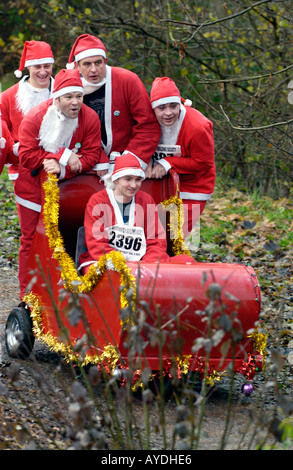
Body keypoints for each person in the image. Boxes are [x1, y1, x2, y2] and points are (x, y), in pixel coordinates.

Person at [17, 68, 109, 299]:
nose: (75, 102)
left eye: (78, 96)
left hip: (66, 188)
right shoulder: (35, 117)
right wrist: (63, 156)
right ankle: (25, 295)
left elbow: (90, 156)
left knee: (61, 235)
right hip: (31, 189)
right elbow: (27, 156)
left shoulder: (89, 117)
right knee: (31, 239)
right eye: (69, 97)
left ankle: (58, 291)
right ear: (56, 98)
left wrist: (61, 164)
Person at [79, 153, 194, 274]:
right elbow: (96, 243)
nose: (133, 185)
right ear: (116, 180)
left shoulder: (146, 200)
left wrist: (147, 264)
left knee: (186, 261)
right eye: (128, 179)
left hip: (143, 261)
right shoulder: (97, 201)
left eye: (138, 180)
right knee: (103, 273)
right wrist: (120, 263)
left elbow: (156, 240)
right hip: (106, 260)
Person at [66, 34, 161, 171]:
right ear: (76, 65)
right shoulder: (67, 88)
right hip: (85, 162)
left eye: (98, 62)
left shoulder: (128, 81)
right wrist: (96, 157)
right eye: (87, 64)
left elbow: (148, 125)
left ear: (106, 61)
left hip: (127, 160)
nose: (93, 69)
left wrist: (131, 159)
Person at [147, 77, 216, 239]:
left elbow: (204, 162)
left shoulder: (198, 127)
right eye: (161, 108)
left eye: (173, 106)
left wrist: (167, 163)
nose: (168, 113)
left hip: (192, 188)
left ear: (180, 103)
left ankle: (170, 261)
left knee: (172, 238)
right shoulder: (145, 120)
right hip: (156, 185)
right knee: (150, 233)